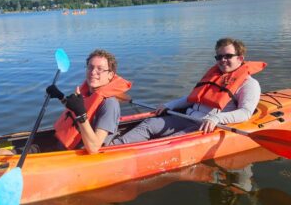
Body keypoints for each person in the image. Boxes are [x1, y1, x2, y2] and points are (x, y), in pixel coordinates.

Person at [113, 38, 266, 144]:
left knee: (169, 141)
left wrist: (216, 119)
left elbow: (245, 112)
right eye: (219, 57)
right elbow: (193, 98)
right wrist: (169, 105)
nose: (222, 60)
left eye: (228, 56)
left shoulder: (249, 84)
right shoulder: (215, 76)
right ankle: (111, 147)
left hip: (206, 125)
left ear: (240, 58)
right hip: (187, 116)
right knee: (149, 124)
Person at [47, 49, 132, 153]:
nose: (93, 72)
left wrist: (81, 115)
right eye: (90, 67)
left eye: (100, 69)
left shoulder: (110, 104)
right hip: (63, 145)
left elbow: (94, 148)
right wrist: (60, 96)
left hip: (80, 155)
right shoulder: (88, 94)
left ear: (110, 75)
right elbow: (76, 111)